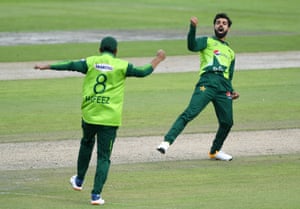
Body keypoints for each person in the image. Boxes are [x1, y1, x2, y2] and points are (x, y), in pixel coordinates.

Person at [34, 36, 166, 205]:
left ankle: (79, 180)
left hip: (90, 114)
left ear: (99, 49)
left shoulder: (91, 61)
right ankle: (95, 195)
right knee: (103, 157)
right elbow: (143, 71)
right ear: (116, 51)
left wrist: (47, 66)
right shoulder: (121, 65)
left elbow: (69, 65)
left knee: (86, 143)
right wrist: (158, 59)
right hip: (110, 119)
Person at [157, 13, 239, 161]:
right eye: (218, 22)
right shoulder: (207, 41)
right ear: (214, 26)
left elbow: (229, 75)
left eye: (224, 23)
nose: (221, 25)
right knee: (190, 112)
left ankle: (215, 151)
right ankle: (166, 142)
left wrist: (232, 91)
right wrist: (192, 28)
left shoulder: (231, 52)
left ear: (228, 28)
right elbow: (192, 46)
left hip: (224, 87)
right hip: (207, 83)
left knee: (227, 122)